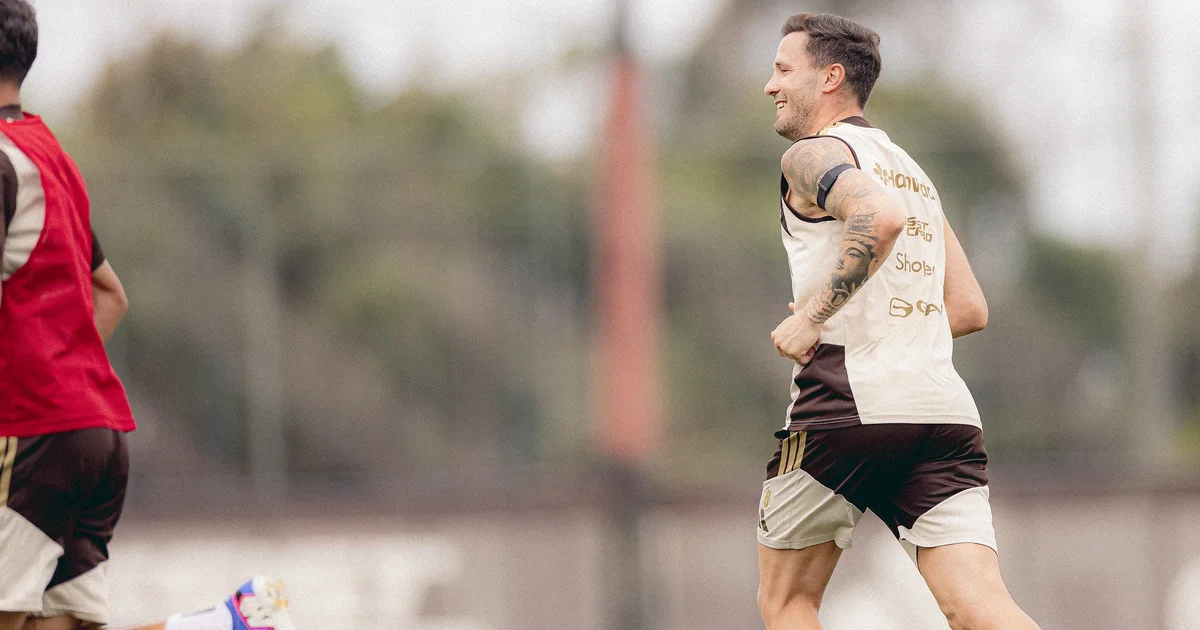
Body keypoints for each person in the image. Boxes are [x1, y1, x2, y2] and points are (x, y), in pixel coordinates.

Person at [0, 2, 294, 629]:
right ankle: (217, 625)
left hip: (32, 436)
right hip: (94, 435)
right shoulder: (51, 157)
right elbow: (111, 295)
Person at [756, 12, 1039, 630]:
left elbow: (876, 220)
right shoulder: (911, 171)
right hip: (942, 413)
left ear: (830, 77)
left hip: (845, 407)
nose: (770, 85)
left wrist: (815, 316)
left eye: (782, 69)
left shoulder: (812, 155)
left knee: (788, 602)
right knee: (980, 609)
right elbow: (968, 309)